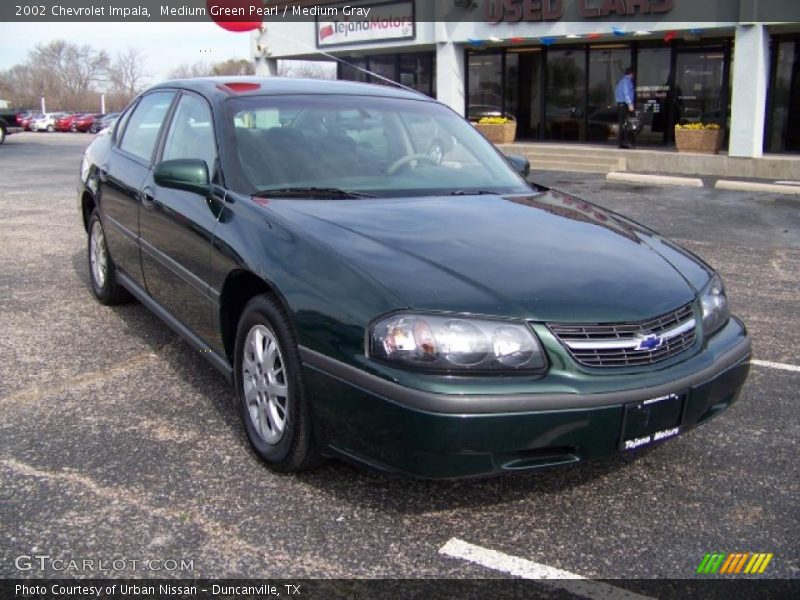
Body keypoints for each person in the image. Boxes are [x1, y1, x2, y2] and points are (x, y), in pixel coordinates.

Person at [615, 67, 636, 148]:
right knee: (627, 124)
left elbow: (617, 93)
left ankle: (621, 142)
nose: (633, 76)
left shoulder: (620, 82)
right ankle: (627, 142)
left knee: (622, 124)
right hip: (625, 105)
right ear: (631, 74)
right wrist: (630, 104)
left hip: (620, 105)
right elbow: (626, 92)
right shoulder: (627, 81)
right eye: (633, 74)